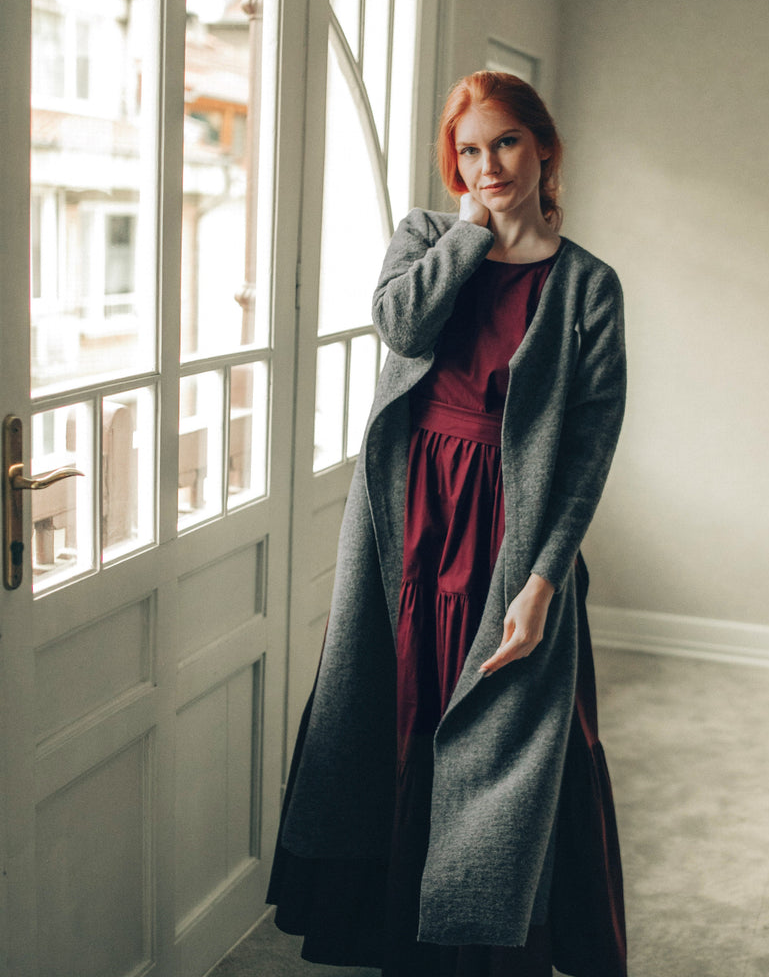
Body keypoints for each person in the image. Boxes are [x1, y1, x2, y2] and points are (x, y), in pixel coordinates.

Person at [267, 70, 628, 977]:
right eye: (468, 149)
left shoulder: (588, 285)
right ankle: (402, 940)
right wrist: (472, 232)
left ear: (544, 147)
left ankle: (486, 942)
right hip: (409, 519)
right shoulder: (429, 238)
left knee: (511, 741)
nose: (487, 164)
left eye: (504, 142)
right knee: (397, 711)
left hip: (513, 529)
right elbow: (399, 322)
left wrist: (545, 582)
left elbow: (589, 448)